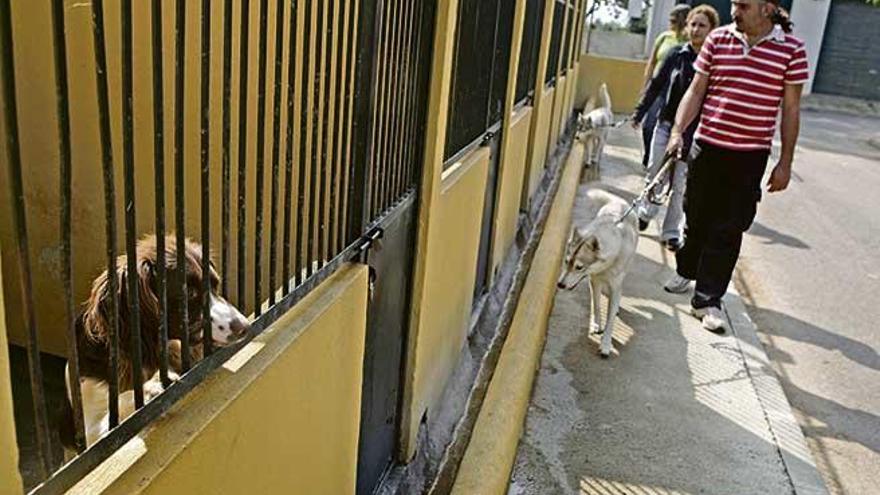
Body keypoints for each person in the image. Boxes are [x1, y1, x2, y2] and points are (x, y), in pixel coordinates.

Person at [664, 0, 808, 332]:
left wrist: (785, 162)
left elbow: (790, 110)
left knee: (728, 227)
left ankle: (708, 299)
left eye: (742, 5)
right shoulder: (717, 40)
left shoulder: (792, 50)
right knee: (695, 216)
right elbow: (696, 89)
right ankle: (687, 270)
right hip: (706, 146)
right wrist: (677, 132)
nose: (734, 11)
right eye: (733, 4)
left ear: (767, 8)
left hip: (748, 156)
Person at [631, 5, 720, 252]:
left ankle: (671, 233)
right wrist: (640, 112)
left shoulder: (715, 62)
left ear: (712, 30)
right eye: (692, 24)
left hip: (695, 134)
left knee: (681, 185)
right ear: (686, 26)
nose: (696, 29)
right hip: (666, 124)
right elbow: (657, 85)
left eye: (702, 25)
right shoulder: (676, 54)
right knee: (655, 172)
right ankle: (646, 213)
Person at [639, 4, 691, 168]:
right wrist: (646, 86)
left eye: (674, 19)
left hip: (676, 90)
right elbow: (652, 62)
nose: (671, 22)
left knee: (670, 129)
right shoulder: (664, 37)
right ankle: (649, 156)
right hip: (658, 88)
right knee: (648, 126)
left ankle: (665, 162)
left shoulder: (689, 42)